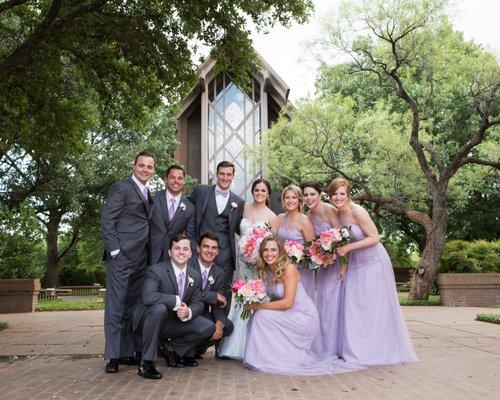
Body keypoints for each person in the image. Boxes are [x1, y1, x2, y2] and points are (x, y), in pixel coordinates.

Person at [328, 178, 418, 365]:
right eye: (334, 194)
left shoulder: (357, 211)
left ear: (348, 194)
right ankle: (358, 349)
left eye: (342, 193)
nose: (338, 197)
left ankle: (376, 351)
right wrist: (343, 266)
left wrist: (349, 248)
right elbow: (342, 243)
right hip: (355, 264)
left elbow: (375, 237)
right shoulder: (339, 214)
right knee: (355, 307)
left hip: (373, 262)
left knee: (373, 307)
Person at [243, 236, 363, 375]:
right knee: (256, 317)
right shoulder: (265, 270)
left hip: (302, 316)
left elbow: (288, 303)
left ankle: (270, 359)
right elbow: (268, 297)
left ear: (280, 251)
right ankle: (266, 358)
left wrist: (258, 306)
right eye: (265, 250)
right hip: (286, 314)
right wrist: (251, 298)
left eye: (273, 250)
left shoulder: (289, 269)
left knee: (261, 315)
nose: (269, 254)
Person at [100, 151, 155, 373]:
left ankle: (126, 351)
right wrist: (115, 250)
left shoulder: (148, 192)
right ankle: (112, 357)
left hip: (142, 258)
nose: (145, 169)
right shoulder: (122, 188)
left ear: (153, 170)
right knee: (115, 306)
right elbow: (107, 220)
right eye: (141, 165)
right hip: (121, 258)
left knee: (133, 308)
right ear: (134, 166)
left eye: (149, 167)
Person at [132, 234, 215, 379]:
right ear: (170, 252)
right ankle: (146, 363)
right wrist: (174, 301)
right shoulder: (156, 270)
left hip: (172, 324)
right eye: (177, 248)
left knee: (208, 326)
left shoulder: (194, 276)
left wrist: (188, 311)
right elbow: (148, 296)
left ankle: (170, 349)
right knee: (159, 308)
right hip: (150, 321)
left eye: (185, 249)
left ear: (190, 253)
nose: (181, 252)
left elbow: (198, 303)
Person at [218, 178, 278, 359]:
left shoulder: (272, 217)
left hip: (259, 265)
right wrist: (245, 248)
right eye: (256, 190)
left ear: (268, 194)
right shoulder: (244, 208)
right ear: (252, 192)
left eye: (263, 191)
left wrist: (259, 257)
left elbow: (271, 244)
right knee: (241, 298)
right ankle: (236, 346)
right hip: (242, 261)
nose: (259, 193)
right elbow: (237, 230)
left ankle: (256, 346)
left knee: (256, 299)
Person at [190, 160, 245, 311]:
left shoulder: (239, 202)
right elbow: (189, 213)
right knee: (196, 288)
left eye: (229, 174)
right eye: (222, 174)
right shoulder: (201, 191)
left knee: (223, 292)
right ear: (216, 174)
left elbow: (241, 227)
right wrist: (191, 242)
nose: (225, 178)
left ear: (233, 176)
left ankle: (220, 327)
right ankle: (199, 326)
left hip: (225, 253)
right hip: (200, 250)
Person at [302, 181, 345, 358]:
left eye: (312, 194)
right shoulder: (307, 217)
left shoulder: (330, 210)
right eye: (305, 195)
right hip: (323, 266)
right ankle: (324, 346)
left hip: (337, 264)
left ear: (320, 195)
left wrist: (343, 265)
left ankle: (333, 349)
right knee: (322, 305)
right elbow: (312, 245)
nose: (309, 198)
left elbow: (343, 238)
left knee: (331, 304)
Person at [189, 234, 234, 358]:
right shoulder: (188, 265)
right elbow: (189, 294)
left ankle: (198, 347)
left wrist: (219, 323)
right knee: (207, 325)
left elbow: (218, 304)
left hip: (203, 313)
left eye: (214, 248)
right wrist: (213, 295)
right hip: (187, 311)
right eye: (206, 246)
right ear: (198, 248)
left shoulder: (219, 272)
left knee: (227, 326)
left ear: (217, 251)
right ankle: (180, 349)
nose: (210, 251)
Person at [149, 164, 196, 264]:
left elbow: (189, 237)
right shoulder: (152, 198)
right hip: (148, 256)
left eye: (180, 178)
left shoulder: (190, 208)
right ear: (166, 179)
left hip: (173, 259)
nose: (176, 181)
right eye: (172, 177)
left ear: (184, 181)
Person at [276, 185, 316, 300]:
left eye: (294, 197)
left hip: (301, 271)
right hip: (282, 269)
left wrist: (297, 256)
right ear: (283, 200)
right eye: (287, 197)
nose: (290, 201)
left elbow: (312, 250)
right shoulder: (279, 218)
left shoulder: (304, 220)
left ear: (299, 200)